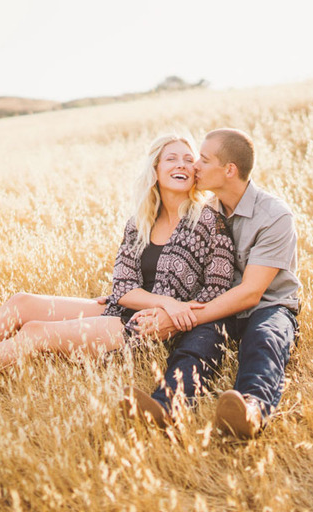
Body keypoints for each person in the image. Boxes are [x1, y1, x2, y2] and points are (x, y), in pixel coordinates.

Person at [0, 134, 235, 392]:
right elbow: (123, 288)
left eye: (189, 159)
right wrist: (161, 300)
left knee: (36, 330)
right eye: (171, 158)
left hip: (153, 329)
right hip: (126, 308)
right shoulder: (139, 223)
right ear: (155, 170)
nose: (182, 164)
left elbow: (216, 292)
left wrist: (169, 311)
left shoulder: (208, 220)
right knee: (22, 302)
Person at [124, 128, 300, 438]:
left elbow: (250, 293)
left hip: (268, 305)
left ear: (229, 170)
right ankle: (167, 406)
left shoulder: (274, 216)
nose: (194, 167)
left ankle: (251, 411)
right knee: (197, 346)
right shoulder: (205, 211)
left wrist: (180, 319)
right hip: (216, 303)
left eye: (203, 160)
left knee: (264, 340)